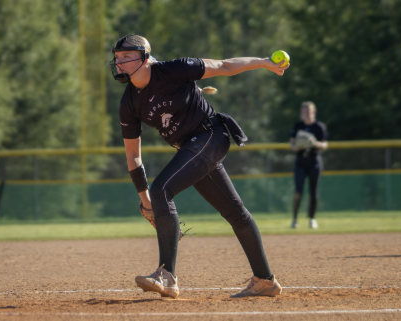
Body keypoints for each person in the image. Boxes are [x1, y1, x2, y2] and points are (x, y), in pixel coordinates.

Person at [111, 34, 289, 299]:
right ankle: (265, 280)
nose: (119, 62)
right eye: (117, 57)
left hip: (211, 135)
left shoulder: (174, 70)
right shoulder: (128, 103)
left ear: (145, 58)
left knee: (162, 189)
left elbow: (225, 66)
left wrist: (263, 62)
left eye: (127, 56)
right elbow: (133, 158)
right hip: (191, 148)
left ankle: (166, 275)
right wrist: (144, 199)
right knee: (235, 213)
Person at [289, 102, 328, 229]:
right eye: (304, 111)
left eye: (308, 111)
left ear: (313, 112)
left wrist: (313, 143)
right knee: (298, 191)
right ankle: (294, 220)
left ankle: (312, 219)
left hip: (314, 161)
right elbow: (292, 142)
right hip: (301, 161)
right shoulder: (298, 126)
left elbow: (324, 145)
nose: (305, 114)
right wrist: (296, 146)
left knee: (313, 192)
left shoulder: (319, 126)